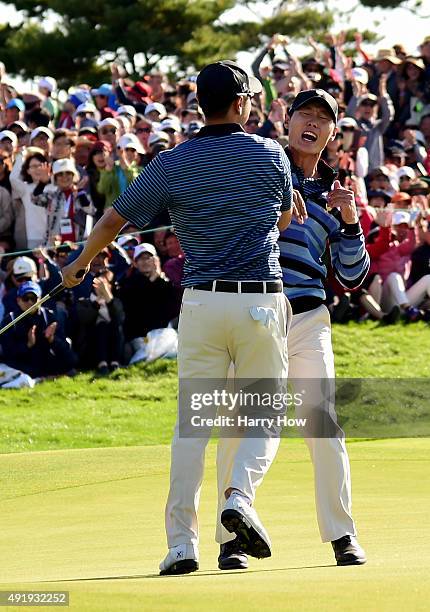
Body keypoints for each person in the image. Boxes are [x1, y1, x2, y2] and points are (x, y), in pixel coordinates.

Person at [61, 59, 294, 576]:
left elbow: (113, 218)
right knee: (264, 414)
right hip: (259, 300)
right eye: (250, 98)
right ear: (239, 104)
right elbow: (280, 216)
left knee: (193, 429)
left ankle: (181, 546)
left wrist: (79, 264)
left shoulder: (173, 162)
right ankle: (238, 496)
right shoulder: (270, 154)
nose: (254, 105)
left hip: (203, 305)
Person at [217, 89, 369, 570]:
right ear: (288, 119)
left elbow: (351, 276)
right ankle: (231, 539)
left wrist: (349, 221)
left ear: (332, 132)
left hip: (309, 317)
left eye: (323, 118)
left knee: (323, 425)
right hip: (257, 310)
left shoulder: (337, 191)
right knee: (242, 423)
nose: (312, 123)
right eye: (305, 113)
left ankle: (342, 535)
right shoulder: (262, 167)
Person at [0, 280, 77, 379]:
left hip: (44, 359)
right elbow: (8, 352)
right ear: (18, 300)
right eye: (25, 298)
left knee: (71, 358)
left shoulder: (49, 316)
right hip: (22, 362)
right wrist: (28, 345)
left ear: (40, 299)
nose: (30, 302)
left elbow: (64, 349)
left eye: (33, 298)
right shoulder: (10, 320)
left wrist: (52, 339)